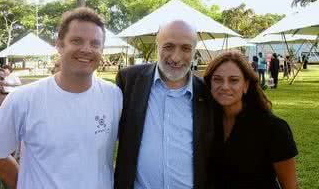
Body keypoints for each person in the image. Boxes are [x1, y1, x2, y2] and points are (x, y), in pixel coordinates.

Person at [0, 7, 122, 189]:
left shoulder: (114, 95)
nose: (86, 49)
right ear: (59, 44)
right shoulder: (23, 99)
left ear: (102, 50)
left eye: (95, 44)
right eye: (76, 41)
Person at [115, 20, 214, 189]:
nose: (176, 57)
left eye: (186, 48)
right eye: (168, 46)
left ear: (194, 50)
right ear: (157, 46)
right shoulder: (128, 80)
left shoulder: (207, 92)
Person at [204, 51, 298, 189]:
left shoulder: (273, 128)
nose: (224, 86)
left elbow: (290, 186)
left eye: (234, 80)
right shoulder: (206, 121)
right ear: (210, 84)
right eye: (217, 79)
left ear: (246, 85)